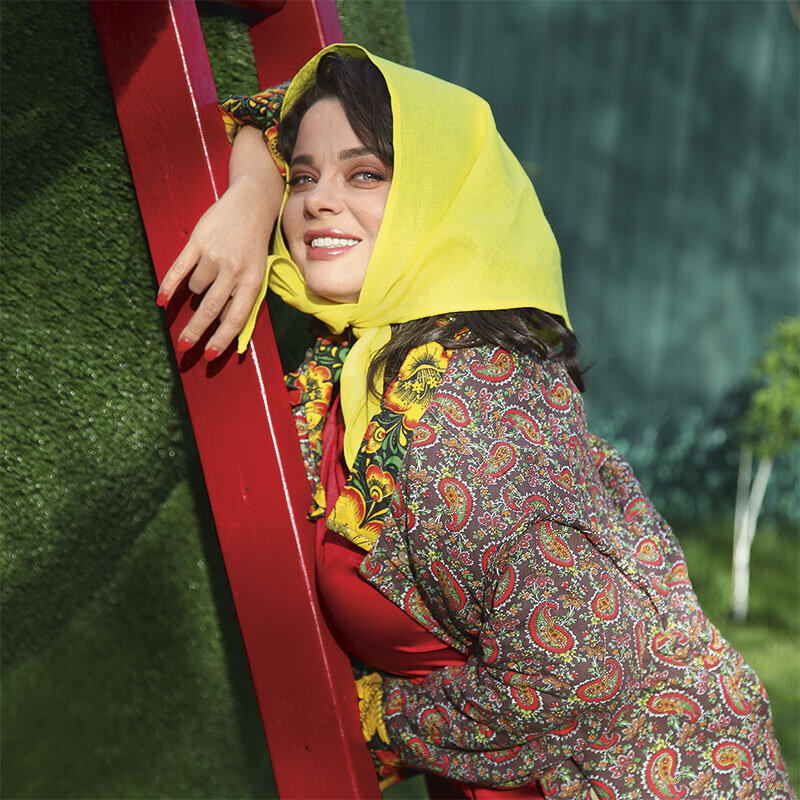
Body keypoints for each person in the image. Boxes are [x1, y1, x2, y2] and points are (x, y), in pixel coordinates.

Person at [156, 45, 795, 799]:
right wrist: (251, 196)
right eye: (304, 176)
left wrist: (380, 724)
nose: (318, 201)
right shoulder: (380, 365)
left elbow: (581, 666)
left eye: (367, 174)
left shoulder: (465, 415)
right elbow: (277, 107)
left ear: (441, 198)